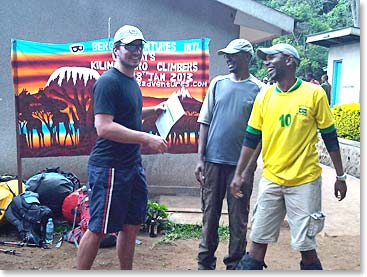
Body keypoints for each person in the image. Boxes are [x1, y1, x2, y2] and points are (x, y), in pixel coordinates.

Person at [231, 43, 347, 270]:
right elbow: (251, 138)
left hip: (304, 182)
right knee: (257, 242)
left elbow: (330, 137)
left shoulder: (314, 94)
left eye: (271, 57)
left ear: (289, 61)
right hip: (272, 180)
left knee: (306, 247)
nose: (266, 62)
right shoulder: (264, 96)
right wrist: (239, 173)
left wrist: (340, 176)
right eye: (265, 58)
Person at [76, 25, 168, 270]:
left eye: (139, 46)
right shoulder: (108, 82)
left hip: (131, 165)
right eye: (130, 46)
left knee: (131, 224)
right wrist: (146, 139)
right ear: (116, 50)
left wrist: (153, 110)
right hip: (110, 167)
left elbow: (129, 115)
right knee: (98, 228)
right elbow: (104, 127)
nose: (136, 51)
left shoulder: (130, 81)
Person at [194, 38, 262, 270]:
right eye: (227, 55)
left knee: (238, 219)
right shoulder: (218, 84)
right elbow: (205, 121)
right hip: (213, 162)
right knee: (209, 214)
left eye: (233, 55)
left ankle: (234, 264)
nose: (228, 59)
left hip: (239, 168)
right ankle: (205, 263)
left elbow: (261, 135)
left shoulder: (259, 90)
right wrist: (200, 159)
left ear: (247, 58)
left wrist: (248, 169)